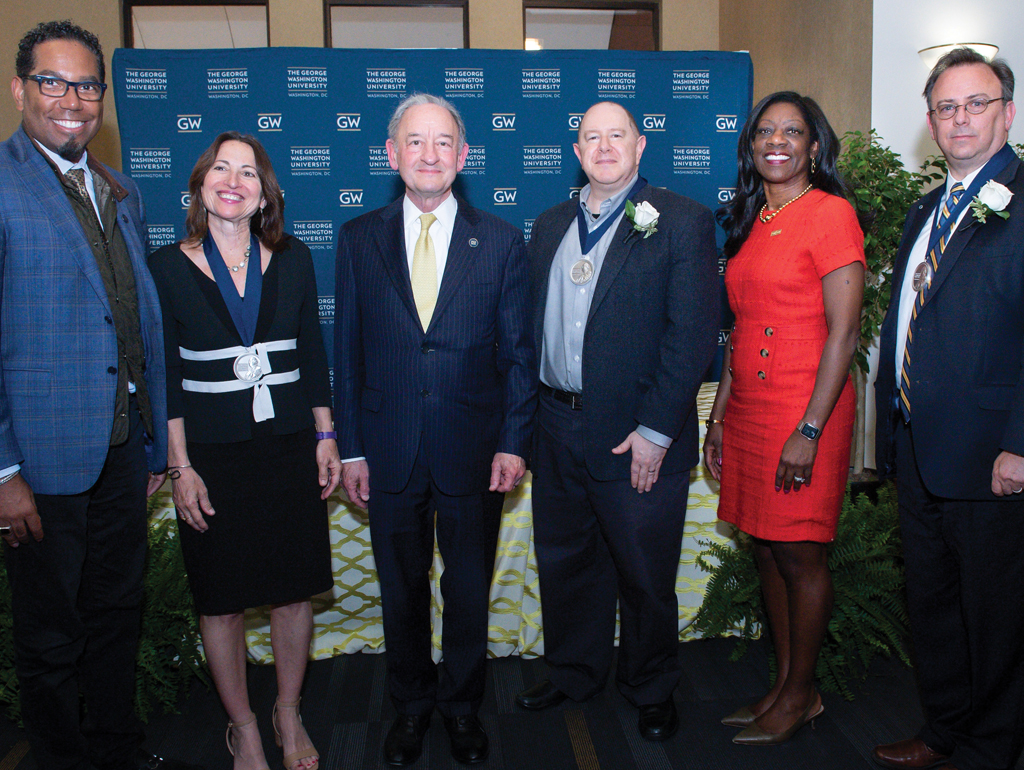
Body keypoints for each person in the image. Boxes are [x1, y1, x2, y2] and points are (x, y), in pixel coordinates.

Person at [0, 20, 199, 770]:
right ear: (22, 89)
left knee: (116, 615)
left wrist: (150, 441)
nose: (72, 99)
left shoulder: (120, 187)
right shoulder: (2, 182)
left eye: (87, 84)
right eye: (53, 82)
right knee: (50, 637)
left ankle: (119, 749)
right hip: (39, 465)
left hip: (121, 456)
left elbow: (132, 317)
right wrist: (2, 471)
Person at [333, 93, 535, 766]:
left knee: (468, 589)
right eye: (414, 142)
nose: (429, 154)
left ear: (463, 156)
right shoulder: (358, 238)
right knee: (402, 589)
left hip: (473, 452)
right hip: (387, 450)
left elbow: (517, 355)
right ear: (392, 155)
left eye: (442, 142)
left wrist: (512, 440)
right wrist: (352, 445)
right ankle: (412, 706)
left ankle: (462, 707)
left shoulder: (503, 241)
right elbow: (349, 353)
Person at [514, 100, 718, 742]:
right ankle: (575, 672)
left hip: (635, 433)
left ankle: (651, 685)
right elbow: (527, 332)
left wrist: (657, 432)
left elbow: (692, 336)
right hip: (556, 422)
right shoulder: (547, 226)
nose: (603, 146)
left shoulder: (682, 222)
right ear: (576, 152)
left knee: (644, 571)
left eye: (616, 135)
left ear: (640, 144)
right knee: (566, 561)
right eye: (589, 137)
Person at [148, 132, 339, 770]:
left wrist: (326, 435)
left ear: (265, 194)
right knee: (222, 599)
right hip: (210, 454)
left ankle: (288, 710)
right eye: (221, 169)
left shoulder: (294, 258)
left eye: (249, 173)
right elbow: (165, 377)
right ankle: (244, 726)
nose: (235, 180)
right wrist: (180, 466)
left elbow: (312, 353)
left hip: (287, 446)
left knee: (292, 591)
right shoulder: (164, 266)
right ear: (201, 186)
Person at [872, 48, 1024, 770]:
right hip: (918, 445)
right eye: (946, 107)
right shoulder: (923, 211)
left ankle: (992, 748)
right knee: (932, 605)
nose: (960, 119)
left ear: (1008, 112)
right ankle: (943, 730)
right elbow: (909, 322)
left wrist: (1022, 443)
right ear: (930, 121)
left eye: (976, 103)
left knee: (996, 616)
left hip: (995, 454)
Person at [703, 91, 865, 745]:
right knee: (766, 552)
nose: (777, 140)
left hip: (805, 410)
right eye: (765, 130)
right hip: (748, 410)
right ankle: (783, 683)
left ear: (814, 147)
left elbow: (846, 332)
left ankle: (802, 695)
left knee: (800, 555)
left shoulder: (830, 214)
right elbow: (740, 329)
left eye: (792, 131)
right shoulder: (752, 219)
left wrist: (809, 429)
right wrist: (718, 416)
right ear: (752, 147)